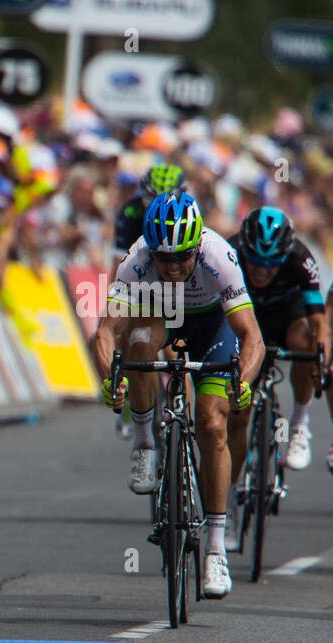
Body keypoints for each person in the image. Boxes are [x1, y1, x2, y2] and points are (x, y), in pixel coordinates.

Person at [93, 192, 265, 599]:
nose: (171, 268)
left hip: (212, 328)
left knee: (210, 422)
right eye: (163, 259)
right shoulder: (137, 258)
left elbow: (251, 335)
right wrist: (109, 377)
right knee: (136, 341)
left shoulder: (219, 256)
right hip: (162, 315)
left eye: (180, 259)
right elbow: (105, 331)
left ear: (196, 246)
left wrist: (243, 380)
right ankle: (144, 442)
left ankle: (216, 550)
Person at [225, 207, 327, 503]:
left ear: (284, 255)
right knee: (238, 414)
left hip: (287, 316)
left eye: (271, 264)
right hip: (246, 320)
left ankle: (298, 424)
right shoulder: (229, 252)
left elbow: (320, 322)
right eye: (255, 261)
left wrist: (319, 363)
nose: (261, 270)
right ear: (245, 250)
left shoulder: (300, 258)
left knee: (306, 341)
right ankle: (228, 498)